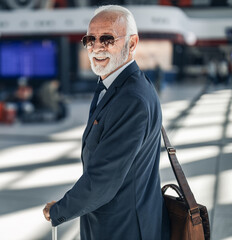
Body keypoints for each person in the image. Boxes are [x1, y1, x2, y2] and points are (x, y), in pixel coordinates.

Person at [43, 5, 170, 240]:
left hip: (125, 228)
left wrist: (59, 210)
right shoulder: (115, 85)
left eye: (108, 38)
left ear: (132, 44)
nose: (96, 47)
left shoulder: (131, 97)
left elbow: (103, 178)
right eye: (90, 39)